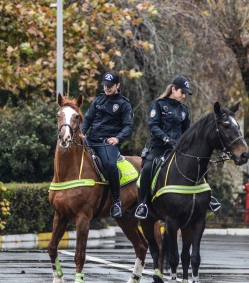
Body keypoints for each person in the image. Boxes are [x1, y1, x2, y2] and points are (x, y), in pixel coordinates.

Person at [135, 75, 221, 219]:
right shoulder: (159, 105)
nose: (184, 96)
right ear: (173, 89)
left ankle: (208, 197)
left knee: (199, 164)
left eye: (186, 93)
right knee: (148, 167)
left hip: (179, 149)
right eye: (182, 92)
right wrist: (167, 139)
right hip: (160, 147)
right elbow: (154, 126)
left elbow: (188, 131)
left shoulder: (184, 110)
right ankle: (143, 204)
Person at [79, 71, 134, 218]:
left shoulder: (124, 104)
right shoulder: (98, 100)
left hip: (108, 143)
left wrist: (118, 138)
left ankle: (116, 201)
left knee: (110, 165)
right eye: (105, 86)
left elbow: (128, 126)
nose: (107, 88)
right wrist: (82, 132)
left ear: (117, 85)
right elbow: (87, 119)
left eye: (110, 86)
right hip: (91, 139)